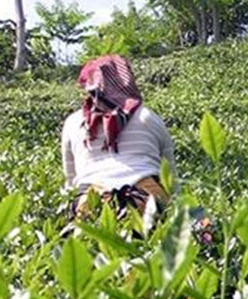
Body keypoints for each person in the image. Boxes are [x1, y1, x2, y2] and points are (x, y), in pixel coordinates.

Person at [62, 55, 175, 218]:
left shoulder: (73, 122)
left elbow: (71, 183)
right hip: (148, 199)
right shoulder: (150, 117)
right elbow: (170, 178)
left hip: (92, 202)